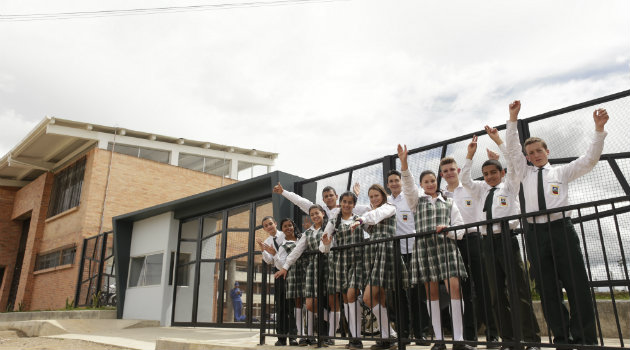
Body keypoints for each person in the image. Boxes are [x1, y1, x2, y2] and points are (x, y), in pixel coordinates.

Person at [504, 100, 608, 348]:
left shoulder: (561, 173)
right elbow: (512, 149)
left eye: (539, 150)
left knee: (577, 285)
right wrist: (512, 120)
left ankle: (585, 339)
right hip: (534, 233)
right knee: (547, 289)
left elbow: (590, 159)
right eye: (530, 153)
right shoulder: (524, 173)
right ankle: (562, 339)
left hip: (561, 229)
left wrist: (598, 130)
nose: (534, 155)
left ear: (547, 152)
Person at [462, 131, 541, 350]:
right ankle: (508, 340)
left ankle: (531, 340)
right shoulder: (480, 190)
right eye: (486, 174)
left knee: (519, 291)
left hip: (507, 239)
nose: (489, 177)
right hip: (487, 242)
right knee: (496, 294)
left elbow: (516, 165)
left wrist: (499, 141)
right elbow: (465, 179)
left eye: (493, 172)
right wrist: (470, 155)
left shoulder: (509, 186)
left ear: (501, 172)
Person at [398, 144, 475, 350]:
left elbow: (460, 229)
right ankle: (439, 340)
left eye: (433, 180)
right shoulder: (415, 202)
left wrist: (447, 230)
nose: (430, 184)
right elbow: (407, 184)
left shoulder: (449, 203)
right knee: (431, 292)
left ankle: (458, 340)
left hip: (447, 248)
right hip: (425, 249)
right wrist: (404, 163)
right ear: (422, 185)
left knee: (455, 289)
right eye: (426, 182)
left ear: (436, 181)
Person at [439, 157, 499, 347]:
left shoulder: (471, 187)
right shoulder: (441, 196)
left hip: (474, 239)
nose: (449, 173)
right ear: (442, 174)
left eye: (452, 169)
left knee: (483, 287)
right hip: (454, 243)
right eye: (445, 170)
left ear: (458, 170)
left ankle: (492, 334)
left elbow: (496, 188)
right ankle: (469, 337)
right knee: (464, 292)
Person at [351, 184, 402, 350]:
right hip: (372, 253)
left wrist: (360, 220)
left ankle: (391, 335)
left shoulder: (389, 207)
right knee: (379, 298)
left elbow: (375, 215)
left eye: (376, 195)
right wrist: (355, 197)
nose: (374, 199)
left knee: (367, 298)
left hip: (384, 251)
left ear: (383, 195)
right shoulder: (369, 212)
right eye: (371, 196)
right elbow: (354, 210)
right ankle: (387, 337)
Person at [276, 205, 333, 346]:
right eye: (312, 214)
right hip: (313, 268)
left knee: (329, 302)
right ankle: (321, 329)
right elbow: (296, 251)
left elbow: (329, 246)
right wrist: (285, 267)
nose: (314, 216)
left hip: (330, 265)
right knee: (310, 304)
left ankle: (327, 335)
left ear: (323, 214)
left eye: (316, 213)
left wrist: (325, 246)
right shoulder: (308, 232)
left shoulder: (330, 226)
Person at [385, 170, 431, 346]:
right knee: (399, 297)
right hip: (396, 253)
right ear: (388, 185)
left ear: (401, 182)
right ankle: (403, 333)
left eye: (397, 180)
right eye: (391, 181)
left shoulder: (412, 197)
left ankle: (421, 333)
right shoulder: (387, 202)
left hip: (413, 249)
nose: (395, 183)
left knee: (417, 294)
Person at [320, 191, 366, 350]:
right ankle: (353, 337)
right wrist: (326, 243)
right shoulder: (333, 221)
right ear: (340, 203)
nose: (347, 205)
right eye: (344, 202)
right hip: (340, 262)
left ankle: (357, 337)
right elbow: (323, 248)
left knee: (352, 295)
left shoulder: (360, 219)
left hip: (357, 261)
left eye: (350, 202)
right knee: (346, 300)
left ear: (354, 205)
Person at [257, 216, 297, 346]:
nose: (269, 227)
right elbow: (269, 261)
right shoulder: (268, 241)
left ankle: (293, 336)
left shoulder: (284, 235)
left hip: (292, 271)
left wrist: (274, 253)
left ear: (275, 223)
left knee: (292, 306)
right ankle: (281, 336)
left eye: (270, 224)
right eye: (266, 225)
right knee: (280, 307)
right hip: (279, 273)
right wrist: (264, 250)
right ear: (264, 229)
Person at [272, 218, 306, 346]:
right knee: (286, 308)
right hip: (288, 279)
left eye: (290, 225)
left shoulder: (302, 239)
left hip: (303, 276)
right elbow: (281, 265)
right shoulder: (282, 245)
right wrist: (274, 254)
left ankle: (298, 336)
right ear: (282, 230)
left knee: (302, 307)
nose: (288, 228)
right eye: (285, 226)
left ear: (294, 226)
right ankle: (285, 337)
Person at [273, 182, 369, 219]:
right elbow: (300, 201)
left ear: (336, 196)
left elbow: (368, 209)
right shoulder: (319, 210)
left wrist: (354, 196)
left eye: (331, 195)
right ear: (323, 200)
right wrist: (283, 192)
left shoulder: (347, 208)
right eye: (326, 196)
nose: (329, 198)